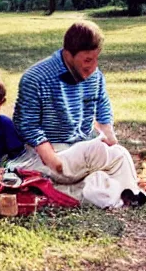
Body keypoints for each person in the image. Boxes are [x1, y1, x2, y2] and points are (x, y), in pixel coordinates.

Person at [10, 20, 144, 207]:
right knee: (95, 150)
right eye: (88, 60)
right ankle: (111, 189)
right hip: (50, 153)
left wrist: (110, 136)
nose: (94, 66)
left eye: (96, 59)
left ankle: (125, 195)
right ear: (68, 54)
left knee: (117, 157)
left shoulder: (95, 75)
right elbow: (27, 125)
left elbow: (103, 107)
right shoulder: (35, 78)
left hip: (82, 150)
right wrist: (52, 160)